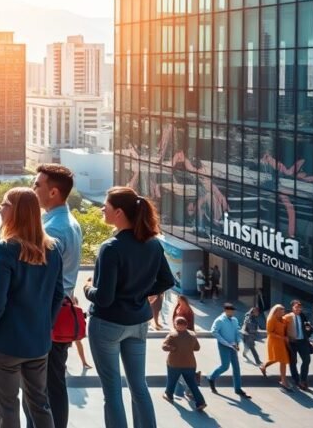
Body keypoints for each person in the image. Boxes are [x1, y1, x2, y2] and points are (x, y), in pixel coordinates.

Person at [83, 187, 175, 428]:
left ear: (119, 212)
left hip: (107, 325)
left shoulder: (111, 247)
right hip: (138, 324)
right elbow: (168, 280)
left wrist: (86, 288)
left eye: (106, 206)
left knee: (112, 391)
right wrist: (144, 294)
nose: (102, 209)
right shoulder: (153, 243)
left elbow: (103, 298)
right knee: (139, 387)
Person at [0, 187, 64, 428]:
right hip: (38, 344)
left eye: (5, 204)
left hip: (5, 345)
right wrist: (45, 326)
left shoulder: (6, 249)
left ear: (17, 212)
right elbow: (58, 295)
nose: (0, 208)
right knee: (40, 404)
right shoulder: (53, 250)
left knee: (7, 408)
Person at [31, 163, 83, 428]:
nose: (33, 188)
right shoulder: (68, 222)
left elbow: (43, 277)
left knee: (43, 386)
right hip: (60, 311)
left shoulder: (54, 229)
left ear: (53, 192)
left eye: (37, 184)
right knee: (53, 382)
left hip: (48, 316)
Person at [160, 316, 206, 411]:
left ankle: (169, 395)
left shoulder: (172, 334)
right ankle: (201, 402)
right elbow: (197, 348)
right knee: (192, 383)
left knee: (172, 380)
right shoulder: (192, 335)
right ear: (186, 325)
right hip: (190, 364)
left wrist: (172, 348)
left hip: (174, 363)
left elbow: (164, 347)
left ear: (176, 325)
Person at [206, 303, 250, 398]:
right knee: (225, 366)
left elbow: (237, 332)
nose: (233, 312)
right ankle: (211, 378)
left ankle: (238, 389)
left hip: (233, 345)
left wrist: (237, 342)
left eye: (233, 310)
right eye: (231, 310)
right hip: (224, 346)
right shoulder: (219, 320)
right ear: (226, 310)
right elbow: (213, 332)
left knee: (236, 367)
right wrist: (225, 342)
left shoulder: (234, 320)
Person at [260, 304, 293, 390]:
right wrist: (282, 337)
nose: (283, 311)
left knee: (278, 359)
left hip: (281, 342)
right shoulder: (271, 319)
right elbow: (269, 332)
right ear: (276, 311)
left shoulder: (283, 319)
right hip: (274, 342)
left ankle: (263, 366)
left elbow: (288, 322)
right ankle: (283, 381)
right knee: (283, 360)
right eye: (281, 310)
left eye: (283, 310)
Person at [285, 299, 313, 390]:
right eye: (297, 307)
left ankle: (303, 379)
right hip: (292, 342)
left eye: (300, 307)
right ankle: (296, 380)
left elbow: (307, 326)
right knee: (293, 362)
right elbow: (283, 329)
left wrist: (308, 330)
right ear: (292, 308)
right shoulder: (287, 317)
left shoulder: (303, 316)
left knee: (307, 360)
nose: (299, 309)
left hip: (303, 341)